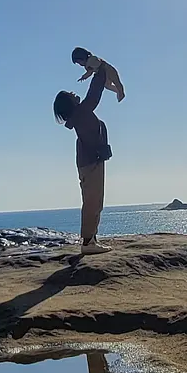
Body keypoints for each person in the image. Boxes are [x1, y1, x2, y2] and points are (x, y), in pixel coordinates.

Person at [53, 68, 112, 249]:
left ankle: (91, 239)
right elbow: (94, 95)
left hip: (90, 161)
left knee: (95, 200)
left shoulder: (79, 115)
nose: (73, 92)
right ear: (69, 103)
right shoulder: (81, 112)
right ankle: (87, 242)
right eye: (69, 94)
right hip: (90, 162)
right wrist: (99, 71)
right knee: (93, 200)